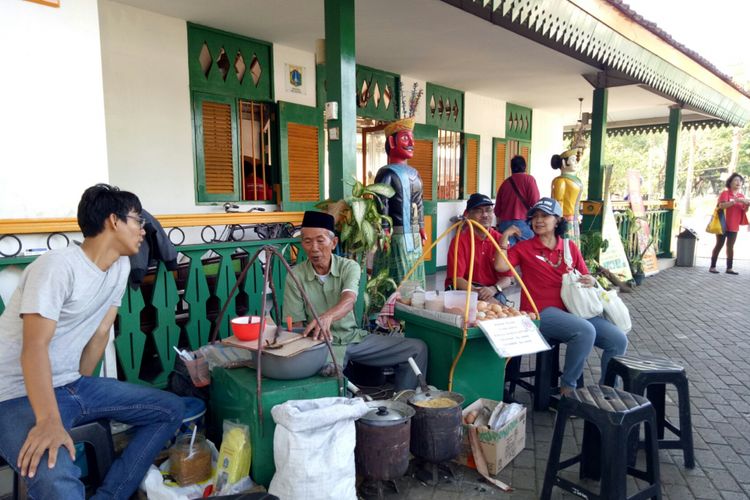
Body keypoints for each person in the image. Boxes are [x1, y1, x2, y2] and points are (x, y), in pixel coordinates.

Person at [0, 184, 184, 500]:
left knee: (168, 408)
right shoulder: (58, 266)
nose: (144, 230)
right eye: (138, 220)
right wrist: (49, 420)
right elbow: (34, 347)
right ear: (114, 220)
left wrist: (84, 396)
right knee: (56, 481)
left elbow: (100, 334)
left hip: (72, 384)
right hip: (13, 393)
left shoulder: (120, 267)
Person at [494, 197, 627, 396]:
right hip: (540, 314)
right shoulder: (524, 248)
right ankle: (568, 390)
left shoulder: (570, 248)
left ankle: (606, 391)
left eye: (545, 216)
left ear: (557, 221)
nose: (538, 220)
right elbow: (500, 266)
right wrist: (505, 235)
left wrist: (590, 280)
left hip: (575, 311)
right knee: (586, 331)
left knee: (618, 340)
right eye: (535, 217)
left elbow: (585, 275)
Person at [283, 211, 428, 391]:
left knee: (416, 349)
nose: (314, 248)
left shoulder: (348, 267)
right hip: (321, 346)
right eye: (307, 241)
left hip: (353, 339)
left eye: (320, 241)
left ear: (333, 242)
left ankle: (404, 402)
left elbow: (349, 299)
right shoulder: (295, 276)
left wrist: (327, 317)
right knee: (333, 385)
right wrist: (313, 345)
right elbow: (297, 326)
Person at [373, 117, 426, 288]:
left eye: (412, 138)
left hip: (415, 235)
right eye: (405, 138)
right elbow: (382, 203)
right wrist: (385, 228)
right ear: (391, 141)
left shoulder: (415, 173)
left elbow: (419, 202)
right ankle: (393, 310)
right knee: (397, 278)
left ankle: (415, 306)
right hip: (396, 236)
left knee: (415, 274)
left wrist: (422, 226)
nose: (411, 143)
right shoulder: (386, 173)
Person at [446, 193, 513, 305]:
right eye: (478, 211)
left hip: (491, 290)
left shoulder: (500, 240)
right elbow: (457, 279)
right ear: (467, 214)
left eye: (489, 210)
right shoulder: (460, 240)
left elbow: (507, 278)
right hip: (464, 290)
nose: (485, 215)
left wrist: (494, 289)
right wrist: (482, 298)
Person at [494, 155, 540, 246]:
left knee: (508, 253)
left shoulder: (505, 183)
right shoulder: (529, 179)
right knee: (534, 246)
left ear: (511, 168)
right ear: (524, 167)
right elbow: (535, 202)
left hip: (505, 224)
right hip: (522, 223)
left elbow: (497, 210)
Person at [709, 173, 750, 275]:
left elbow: (744, 211)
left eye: (740, 181)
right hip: (723, 224)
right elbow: (721, 206)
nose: (738, 182)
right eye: (736, 180)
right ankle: (712, 266)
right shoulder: (725, 193)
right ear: (730, 183)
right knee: (719, 244)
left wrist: (747, 204)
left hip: (734, 226)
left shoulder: (741, 196)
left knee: (730, 246)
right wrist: (734, 202)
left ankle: (729, 268)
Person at [550, 148, 584, 245]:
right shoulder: (560, 181)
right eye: (573, 160)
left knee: (574, 246)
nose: (575, 163)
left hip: (574, 218)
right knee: (566, 245)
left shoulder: (573, 179)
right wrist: (559, 221)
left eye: (575, 160)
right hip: (565, 220)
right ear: (564, 163)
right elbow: (558, 201)